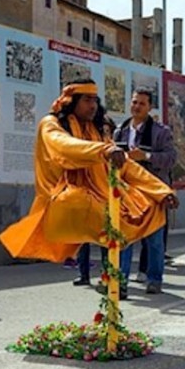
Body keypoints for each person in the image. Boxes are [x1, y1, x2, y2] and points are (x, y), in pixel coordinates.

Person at [0, 80, 178, 283]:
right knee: (98, 213)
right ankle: (107, 278)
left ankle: (123, 281)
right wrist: (104, 151)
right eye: (86, 100)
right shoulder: (51, 124)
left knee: (150, 208)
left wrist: (161, 190)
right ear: (71, 101)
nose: (92, 105)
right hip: (64, 195)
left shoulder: (96, 129)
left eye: (95, 100)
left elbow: (126, 165)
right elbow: (64, 147)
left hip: (103, 192)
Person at [113, 88, 177, 295]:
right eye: (134, 102)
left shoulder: (161, 132)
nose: (136, 106)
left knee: (155, 240)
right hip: (127, 193)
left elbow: (170, 159)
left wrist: (146, 156)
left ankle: (154, 279)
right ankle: (120, 282)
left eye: (141, 103)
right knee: (124, 238)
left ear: (150, 107)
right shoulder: (120, 131)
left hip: (152, 193)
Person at [73, 110, 116, 286]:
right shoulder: (90, 146)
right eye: (102, 129)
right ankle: (84, 274)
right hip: (86, 195)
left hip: (105, 196)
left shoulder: (113, 149)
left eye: (107, 130)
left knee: (105, 239)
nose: (104, 133)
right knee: (83, 237)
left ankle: (107, 276)